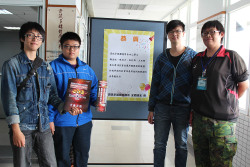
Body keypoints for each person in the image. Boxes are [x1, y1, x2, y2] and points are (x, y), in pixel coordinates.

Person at [1, 22, 64, 167]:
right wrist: (15, 130)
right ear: (22, 38)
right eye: (31, 35)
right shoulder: (12, 65)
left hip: (44, 126)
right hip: (23, 126)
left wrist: (66, 107)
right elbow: (9, 99)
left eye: (39, 36)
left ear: (42, 41)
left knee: (50, 164)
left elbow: (52, 95)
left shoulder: (46, 66)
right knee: (22, 164)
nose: (35, 39)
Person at [191, 20, 249, 167]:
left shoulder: (231, 57)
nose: (207, 36)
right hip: (199, 120)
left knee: (221, 163)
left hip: (222, 123)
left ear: (221, 34)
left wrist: (226, 101)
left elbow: (243, 85)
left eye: (212, 32)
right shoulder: (197, 58)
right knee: (201, 162)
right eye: (204, 33)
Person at [148, 20, 197, 167]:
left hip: (183, 107)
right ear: (168, 35)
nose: (174, 34)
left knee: (181, 145)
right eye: (171, 32)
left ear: (183, 33)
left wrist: (193, 110)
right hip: (162, 107)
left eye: (177, 31)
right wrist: (151, 108)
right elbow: (155, 83)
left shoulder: (193, 57)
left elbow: (195, 86)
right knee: (159, 145)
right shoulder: (162, 57)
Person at [49, 32, 98, 167]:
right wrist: (50, 119)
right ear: (61, 47)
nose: (72, 50)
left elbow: (93, 92)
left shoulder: (87, 69)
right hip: (62, 120)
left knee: (82, 155)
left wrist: (98, 101)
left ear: (79, 48)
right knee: (62, 156)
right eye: (68, 46)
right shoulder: (52, 67)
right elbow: (49, 95)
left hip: (84, 120)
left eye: (75, 46)